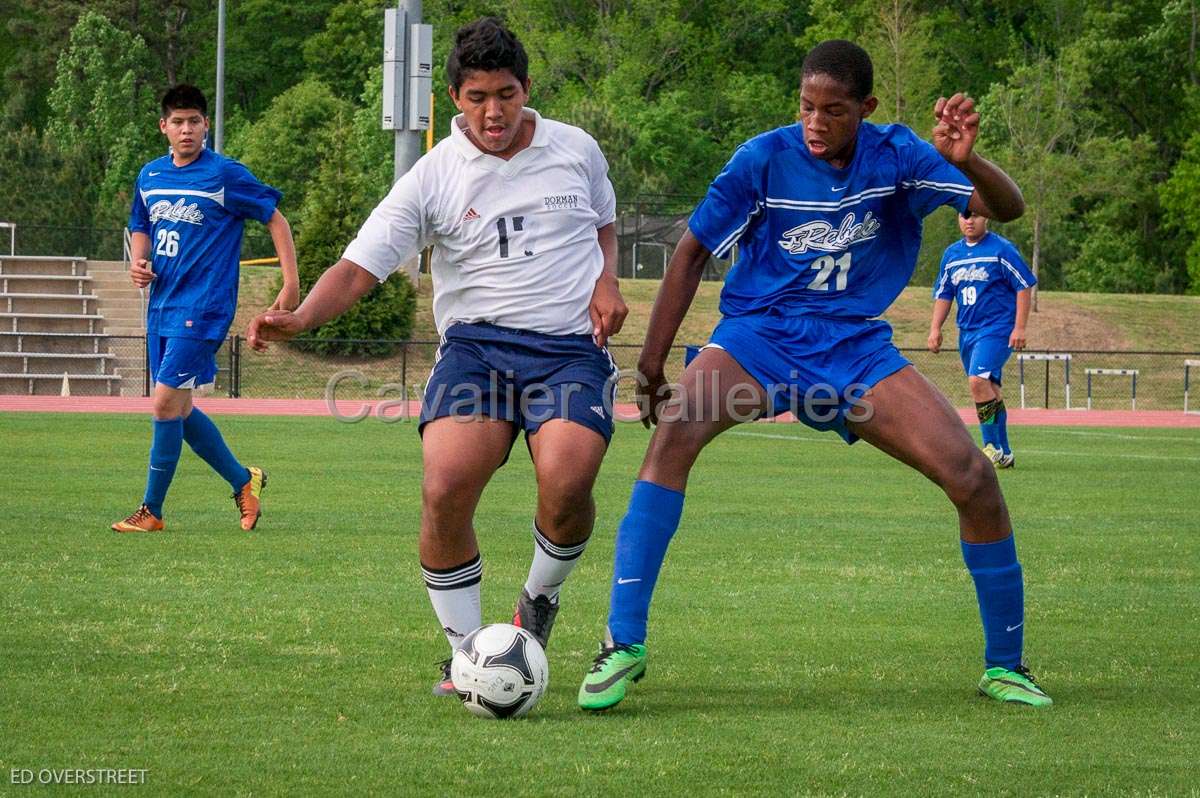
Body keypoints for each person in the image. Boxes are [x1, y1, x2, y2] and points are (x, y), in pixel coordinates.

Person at [577, 40, 1051, 711]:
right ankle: (621, 643)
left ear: (867, 108)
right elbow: (691, 254)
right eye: (806, 106)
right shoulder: (762, 159)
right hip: (759, 338)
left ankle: (1006, 664)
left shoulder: (899, 154)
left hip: (855, 350)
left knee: (972, 477)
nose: (816, 122)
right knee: (675, 432)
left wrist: (968, 160)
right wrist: (652, 364)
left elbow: (1007, 208)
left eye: (834, 110)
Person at [245, 18, 627, 695]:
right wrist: (301, 317)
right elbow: (361, 268)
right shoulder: (433, 177)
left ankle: (537, 602)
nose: (493, 112)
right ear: (452, 96)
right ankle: (469, 654)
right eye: (477, 96)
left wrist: (606, 280)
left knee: (567, 487)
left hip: (569, 351)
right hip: (477, 352)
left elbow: (603, 221)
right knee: (444, 487)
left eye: (506, 94)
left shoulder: (577, 150)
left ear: (526, 89)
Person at [112, 84, 299, 534]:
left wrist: (290, 282)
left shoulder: (224, 175)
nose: (186, 129)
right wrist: (139, 262)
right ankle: (243, 480)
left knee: (162, 405)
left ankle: (152, 511)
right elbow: (140, 224)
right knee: (178, 408)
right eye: (177, 122)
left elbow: (275, 217)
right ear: (163, 127)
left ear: (206, 124)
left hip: (205, 306)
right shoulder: (151, 175)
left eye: (194, 120)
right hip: (162, 306)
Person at [928, 213, 1035, 468]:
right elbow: (944, 293)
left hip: (997, 328)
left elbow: (1024, 285)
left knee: (977, 381)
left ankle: (990, 447)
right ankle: (1005, 453)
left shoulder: (1001, 249)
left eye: (975, 215)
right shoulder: (951, 254)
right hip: (967, 332)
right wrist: (935, 328)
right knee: (990, 389)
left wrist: (1019, 327)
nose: (969, 221)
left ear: (986, 217)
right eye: (965, 215)